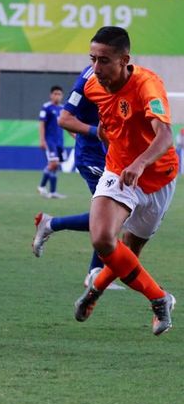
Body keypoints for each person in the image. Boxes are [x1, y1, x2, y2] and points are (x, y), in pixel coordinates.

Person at [73, 26, 178, 335]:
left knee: (128, 254)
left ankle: (95, 291)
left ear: (124, 60)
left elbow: (165, 135)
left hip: (158, 177)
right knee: (103, 238)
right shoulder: (92, 85)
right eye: (92, 58)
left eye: (104, 60)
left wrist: (141, 162)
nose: (96, 68)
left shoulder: (148, 85)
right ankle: (160, 299)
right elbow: (72, 116)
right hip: (118, 171)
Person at [32, 67, 124, 290]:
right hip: (92, 157)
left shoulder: (118, 74)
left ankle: (52, 224)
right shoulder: (88, 78)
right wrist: (95, 132)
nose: (96, 62)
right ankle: (94, 273)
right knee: (110, 215)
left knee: (112, 215)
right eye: (94, 57)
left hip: (109, 155)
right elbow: (65, 119)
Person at [37, 86, 66, 199]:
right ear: (51, 95)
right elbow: (42, 124)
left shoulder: (63, 109)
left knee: (56, 165)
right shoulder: (46, 107)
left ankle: (53, 192)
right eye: (55, 93)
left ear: (62, 96)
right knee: (53, 163)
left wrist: (75, 135)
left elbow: (67, 125)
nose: (57, 96)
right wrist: (42, 139)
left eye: (59, 94)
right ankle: (41, 186)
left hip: (59, 141)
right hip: (50, 141)